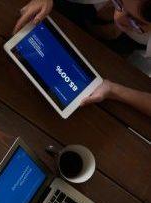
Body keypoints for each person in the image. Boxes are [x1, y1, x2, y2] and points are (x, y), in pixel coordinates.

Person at [14, 0, 151, 116]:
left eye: (136, 22)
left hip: (114, 52)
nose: (119, 18)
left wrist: (114, 90)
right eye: (119, 2)